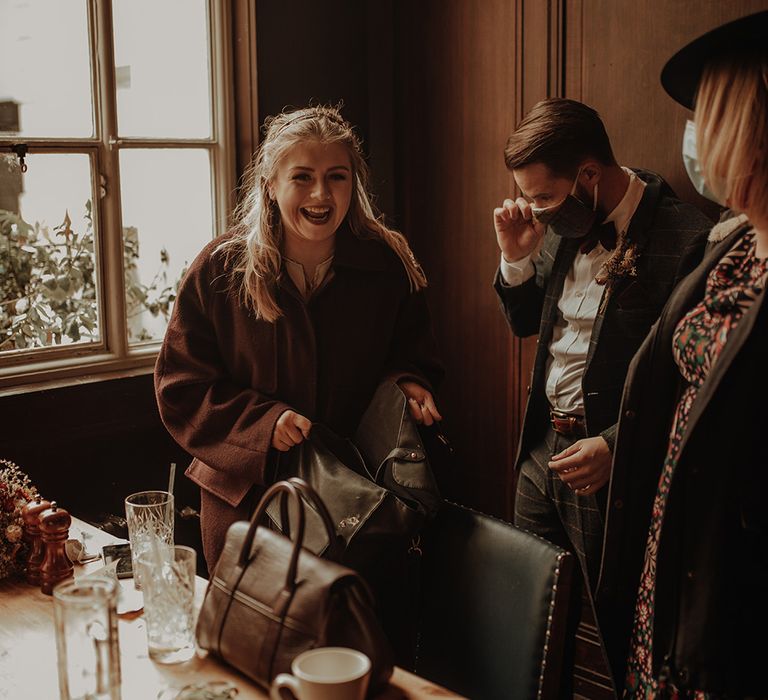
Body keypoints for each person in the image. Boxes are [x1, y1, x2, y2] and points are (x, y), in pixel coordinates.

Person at [155, 105, 443, 573]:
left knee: (342, 641)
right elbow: (180, 386)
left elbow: (411, 353)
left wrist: (407, 383)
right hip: (245, 508)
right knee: (250, 643)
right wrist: (264, 424)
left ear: (355, 184)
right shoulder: (219, 268)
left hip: (354, 501)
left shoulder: (387, 266)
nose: (320, 194)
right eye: (302, 177)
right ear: (270, 184)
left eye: (337, 177)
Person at [594, 11, 768, 697]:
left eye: (704, 113)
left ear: (745, 122)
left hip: (736, 598)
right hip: (670, 567)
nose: (692, 137)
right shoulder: (733, 241)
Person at [492, 98, 712, 594]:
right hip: (539, 453)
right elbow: (526, 324)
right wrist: (515, 260)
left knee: (616, 616)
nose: (537, 210)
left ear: (589, 174)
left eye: (544, 196)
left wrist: (617, 444)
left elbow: (688, 378)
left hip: (613, 467)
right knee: (529, 611)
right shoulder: (558, 226)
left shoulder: (687, 240)